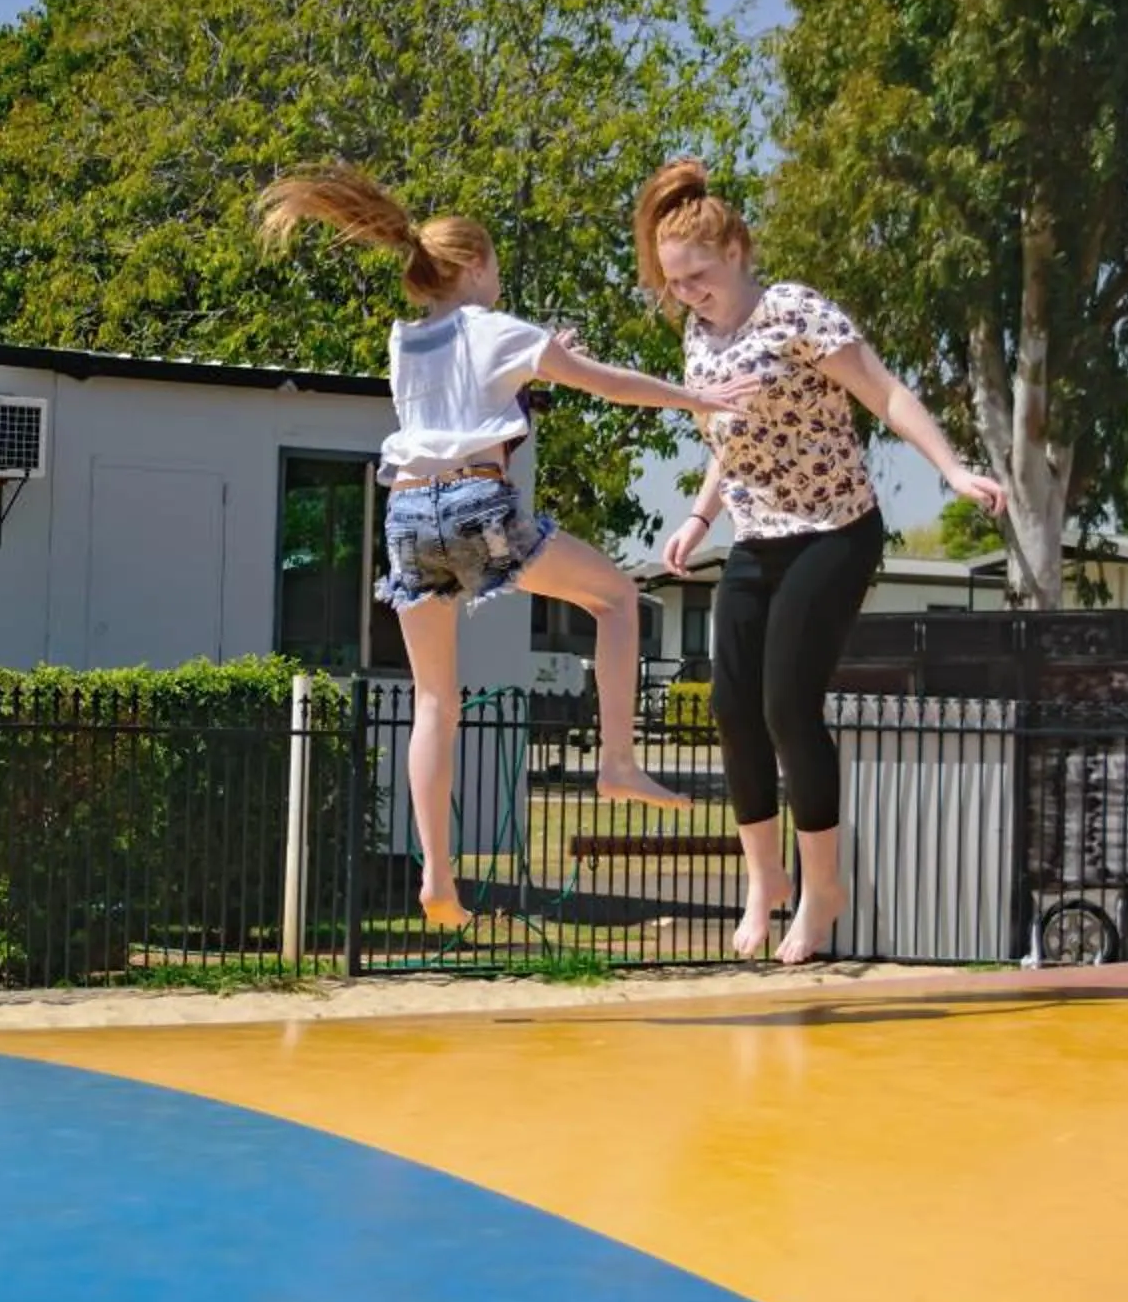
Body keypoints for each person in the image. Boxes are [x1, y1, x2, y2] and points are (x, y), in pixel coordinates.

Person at [256, 165, 760, 929]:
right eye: (495, 269)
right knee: (616, 599)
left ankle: (436, 875)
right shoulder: (502, 331)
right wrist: (696, 397)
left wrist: (536, 361)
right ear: (475, 266)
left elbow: (469, 402)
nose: (499, 282)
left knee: (434, 701)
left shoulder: (406, 342)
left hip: (405, 515)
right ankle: (617, 762)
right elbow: (608, 384)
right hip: (472, 503)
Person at [638, 159, 1009, 964]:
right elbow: (734, 438)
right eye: (676, 283)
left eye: (699, 277)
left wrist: (951, 469)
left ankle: (824, 888)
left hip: (835, 530)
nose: (688, 294)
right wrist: (699, 516)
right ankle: (764, 879)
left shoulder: (794, 311)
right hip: (756, 535)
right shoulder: (700, 336)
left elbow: (885, 392)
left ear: (736, 251)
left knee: (786, 706)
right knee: (730, 705)